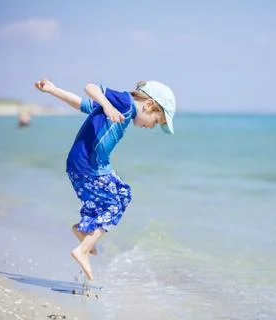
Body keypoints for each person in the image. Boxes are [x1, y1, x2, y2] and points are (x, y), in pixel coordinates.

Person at [34, 78, 176, 280]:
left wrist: (53, 90)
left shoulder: (125, 111)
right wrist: (109, 106)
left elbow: (82, 104)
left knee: (123, 194)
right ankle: (82, 250)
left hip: (96, 166)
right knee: (112, 207)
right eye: (156, 121)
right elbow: (90, 88)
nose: (152, 127)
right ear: (149, 105)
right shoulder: (124, 103)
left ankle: (85, 232)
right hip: (86, 166)